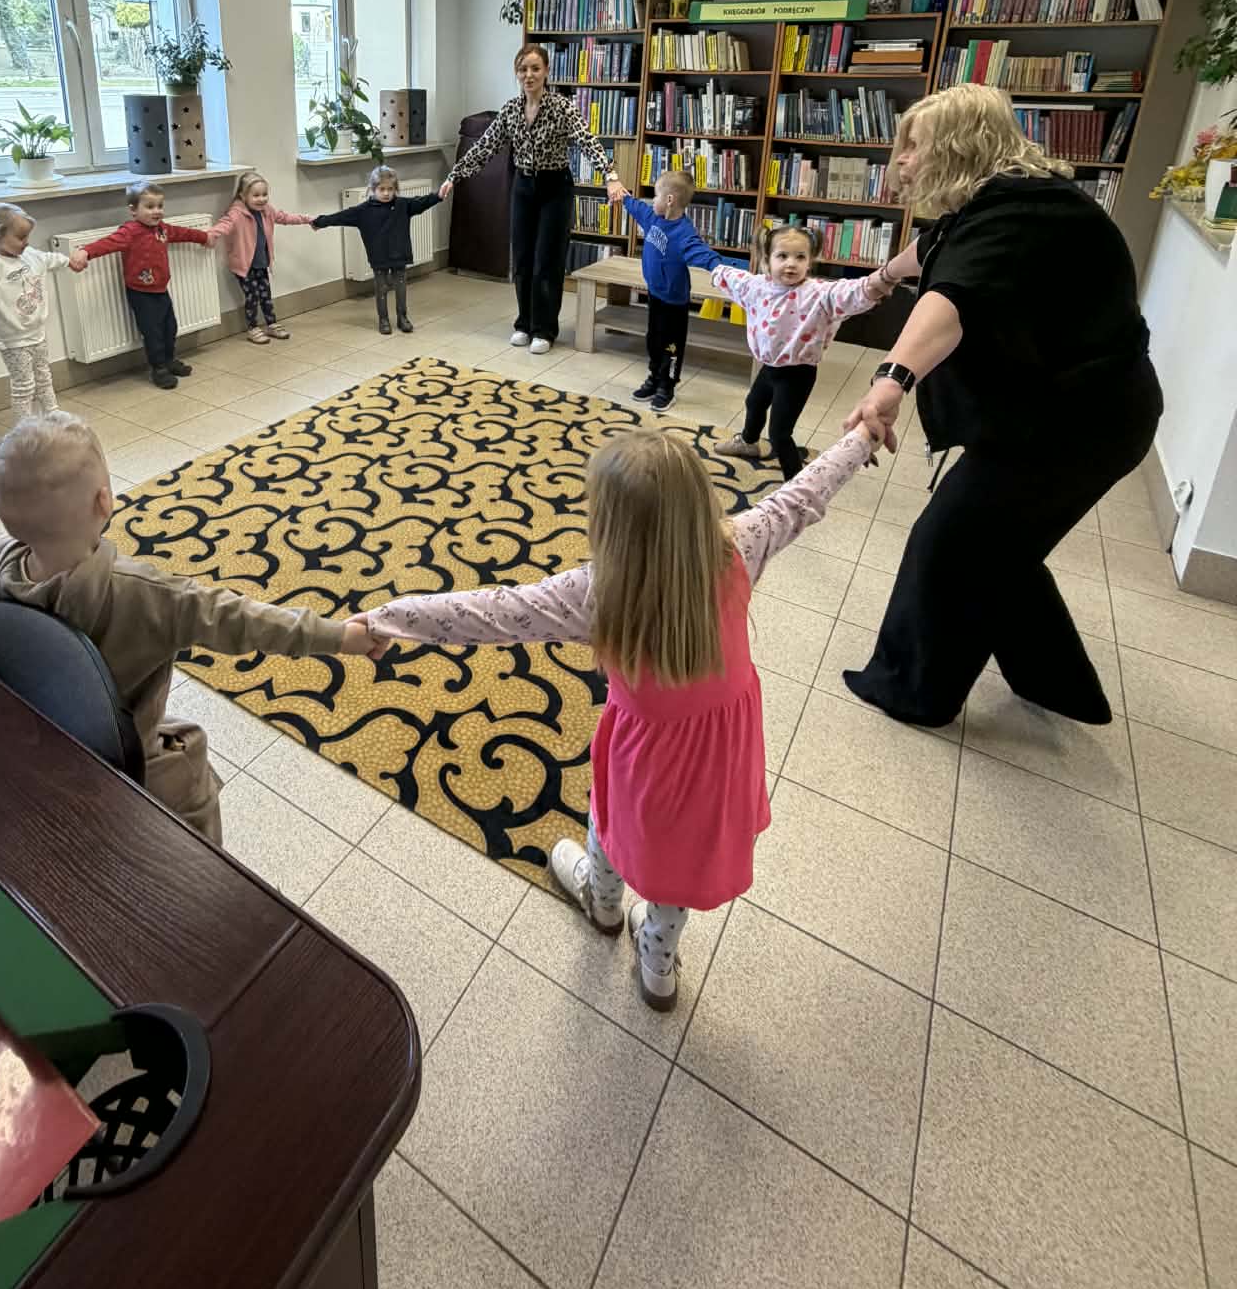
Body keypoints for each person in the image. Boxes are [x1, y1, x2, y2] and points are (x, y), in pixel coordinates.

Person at [366, 424, 881, 1010]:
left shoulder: (597, 592)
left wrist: (387, 618)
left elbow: (492, 613)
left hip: (645, 755)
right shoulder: (739, 546)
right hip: (723, 754)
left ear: (610, 525)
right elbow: (805, 493)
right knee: (684, 855)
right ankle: (658, 962)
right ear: (700, 502)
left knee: (612, 819)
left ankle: (603, 903)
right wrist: (864, 435)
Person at [839, 83, 1163, 728]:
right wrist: (879, 280)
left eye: (914, 146)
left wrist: (889, 380)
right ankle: (1062, 686)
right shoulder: (1000, 203)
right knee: (1000, 544)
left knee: (952, 541)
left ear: (959, 146)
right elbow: (935, 249)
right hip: (1058, 415)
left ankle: (913, 692)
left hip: (1082, 426)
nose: (902, 160)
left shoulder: (1024, 215)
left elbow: (953, 297)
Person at [0, 412, 382, 844]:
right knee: (190, 771)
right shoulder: (148, 594)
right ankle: (204, 872)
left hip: (37, 747)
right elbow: (245, 620)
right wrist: (343, 637)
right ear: (104, 500)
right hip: (126, 761)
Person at [439, 43, 612, 354]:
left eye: (535, 68)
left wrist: (610, 176)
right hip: (523, 187)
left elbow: (588, 141)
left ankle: (545, 329)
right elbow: (485, 147)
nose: (528, 75)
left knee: (547, 260)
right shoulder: (510, 110)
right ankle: (524, 323)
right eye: (523, 69)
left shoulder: (562, 108)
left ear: (546, 71)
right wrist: (455, 176)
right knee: (522, 258)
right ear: (516, 74)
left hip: (555, 187)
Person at [711, 224, 898, 479]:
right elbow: (728, 275)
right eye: (782, 256)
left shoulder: (818, 293)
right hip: (770, 368)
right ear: (767, 259)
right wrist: (699, 256)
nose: (791, 264)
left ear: (810, 261)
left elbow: (851, 291)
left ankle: (795, 482)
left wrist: (882, 279)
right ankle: (748, 442)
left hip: (797, 375)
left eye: (800, 257)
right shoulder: (758, 286)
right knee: (754, 403)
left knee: (779, 433)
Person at [605, 169, 728, 410]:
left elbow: (704, 254)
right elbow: (636, 206)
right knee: (653, 339)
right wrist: (620, 193)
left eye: (656, 196)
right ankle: (654, 378)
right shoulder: (653, 218)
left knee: (671, 346)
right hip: (655, 295)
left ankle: (667, 386)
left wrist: (722, 269)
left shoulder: (684, 234)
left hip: (675, 302)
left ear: (669, 200)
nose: (653, 201)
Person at [0, 203, 88, 419]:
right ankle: (24, 427)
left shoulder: (29, 255)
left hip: (37, 331)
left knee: (44, 376)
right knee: (24, 385)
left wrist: (68, 262)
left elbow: (49, 258)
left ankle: (52, 412)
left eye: (27, 236)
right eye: (20, 237)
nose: (26, 242)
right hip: (13, 340)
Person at [82, 179, 212, 386]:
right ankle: (158, 368)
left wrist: (203, 237)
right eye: (150, 207)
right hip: (141, 293)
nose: (156, 211)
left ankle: (169, 360)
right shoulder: (129, 232)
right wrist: (85, 252)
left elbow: (182, 233)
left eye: (160, 206)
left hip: (161, 289)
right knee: (153, 333)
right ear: (133, 210)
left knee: (169, 328)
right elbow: (107, 244)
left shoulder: (162, 229)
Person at [309, 164, 441, 335]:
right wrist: (320, 222)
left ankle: (402, 317)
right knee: (381, 288)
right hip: (379, 256)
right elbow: (340, 217)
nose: (386, 193)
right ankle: (383, 319)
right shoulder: (363, 211)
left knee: (401, 287)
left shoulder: (403, 205)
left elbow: (422, 202)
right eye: (381, 189)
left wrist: (439, 195)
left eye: (390, 189)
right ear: (373, 189)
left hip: (399, 254)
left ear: (395, 189)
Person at [204, 169, 312, 345]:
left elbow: (285, 217)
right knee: (252, 296)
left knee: (266, 295)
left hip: (261, 263)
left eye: (264, 194)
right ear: (242, 195)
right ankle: (252, 328)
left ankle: (271, 324)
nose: (261, 199)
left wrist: (307, 219)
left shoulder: (267, 211)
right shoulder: (236, 213)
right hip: (244, 266)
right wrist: (209, 235)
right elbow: (223, 225)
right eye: (256, 195)